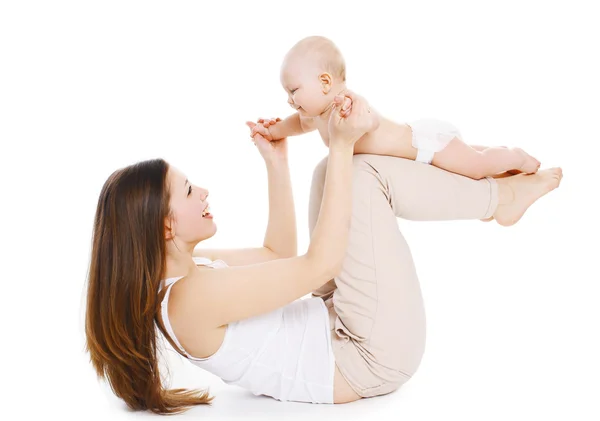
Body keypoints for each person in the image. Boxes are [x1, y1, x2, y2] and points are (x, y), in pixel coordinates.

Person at [85, 91, 562, 415]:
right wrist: (341, 143)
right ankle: (498, 199)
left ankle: (484, 178)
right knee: (352, 174)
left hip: (343, 323)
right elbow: (320, 264)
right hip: (369, 356)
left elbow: (279, 252)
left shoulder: (192, 278)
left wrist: (277, 163)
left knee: (329, 174)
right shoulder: (190, 299)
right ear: (167, 225)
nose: (204, 191)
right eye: (189, 191)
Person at [248, 35, 541, 181]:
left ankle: (517, 156)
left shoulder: (349, 105)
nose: (289, 100)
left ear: (325, 82)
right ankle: (501, 158)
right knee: (471, 155)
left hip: (425, 145)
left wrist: (352, 112)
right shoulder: (317, 116)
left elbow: (370, 122)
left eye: (293, 91)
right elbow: (297, 124)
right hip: (424, 147)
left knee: (477, 168)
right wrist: (273, 131)